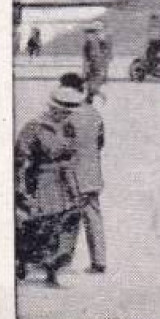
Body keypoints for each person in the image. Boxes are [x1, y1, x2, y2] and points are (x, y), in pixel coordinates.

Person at [14, 85, 85, 286]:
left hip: (64, 181)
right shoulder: (34, 127)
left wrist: (75, 188)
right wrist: (22, 189)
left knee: (65, 224)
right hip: (41, 181)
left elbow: (72, 157)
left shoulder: (68, 128)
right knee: (40, 225)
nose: (67, 115)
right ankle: (23, 261)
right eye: (64, 111)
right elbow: (21, 160)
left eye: (70, 112)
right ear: (54, 108)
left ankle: (53, 270)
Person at [57, 74, 105, 273]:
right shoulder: (94, 114)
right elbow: (100, 143)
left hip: (72, 174)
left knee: (68, 217)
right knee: (93, 217)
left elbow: (60, 146)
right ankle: (99, 261)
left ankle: (63, 259)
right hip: (92, 173)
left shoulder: (65, 115)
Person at [81, 24, 110, 103]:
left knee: (93, 87)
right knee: (89, 86)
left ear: (94, 34)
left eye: (90, 34)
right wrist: (85, 71)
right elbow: (86, 59)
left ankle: (96, 96)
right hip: (91, 68)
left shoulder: (99, 43)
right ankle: (90, 98)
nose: (88, 36)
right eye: (87, 34)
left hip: (97, 68)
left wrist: (104, 73)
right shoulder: (87, 45)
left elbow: (104, 57)